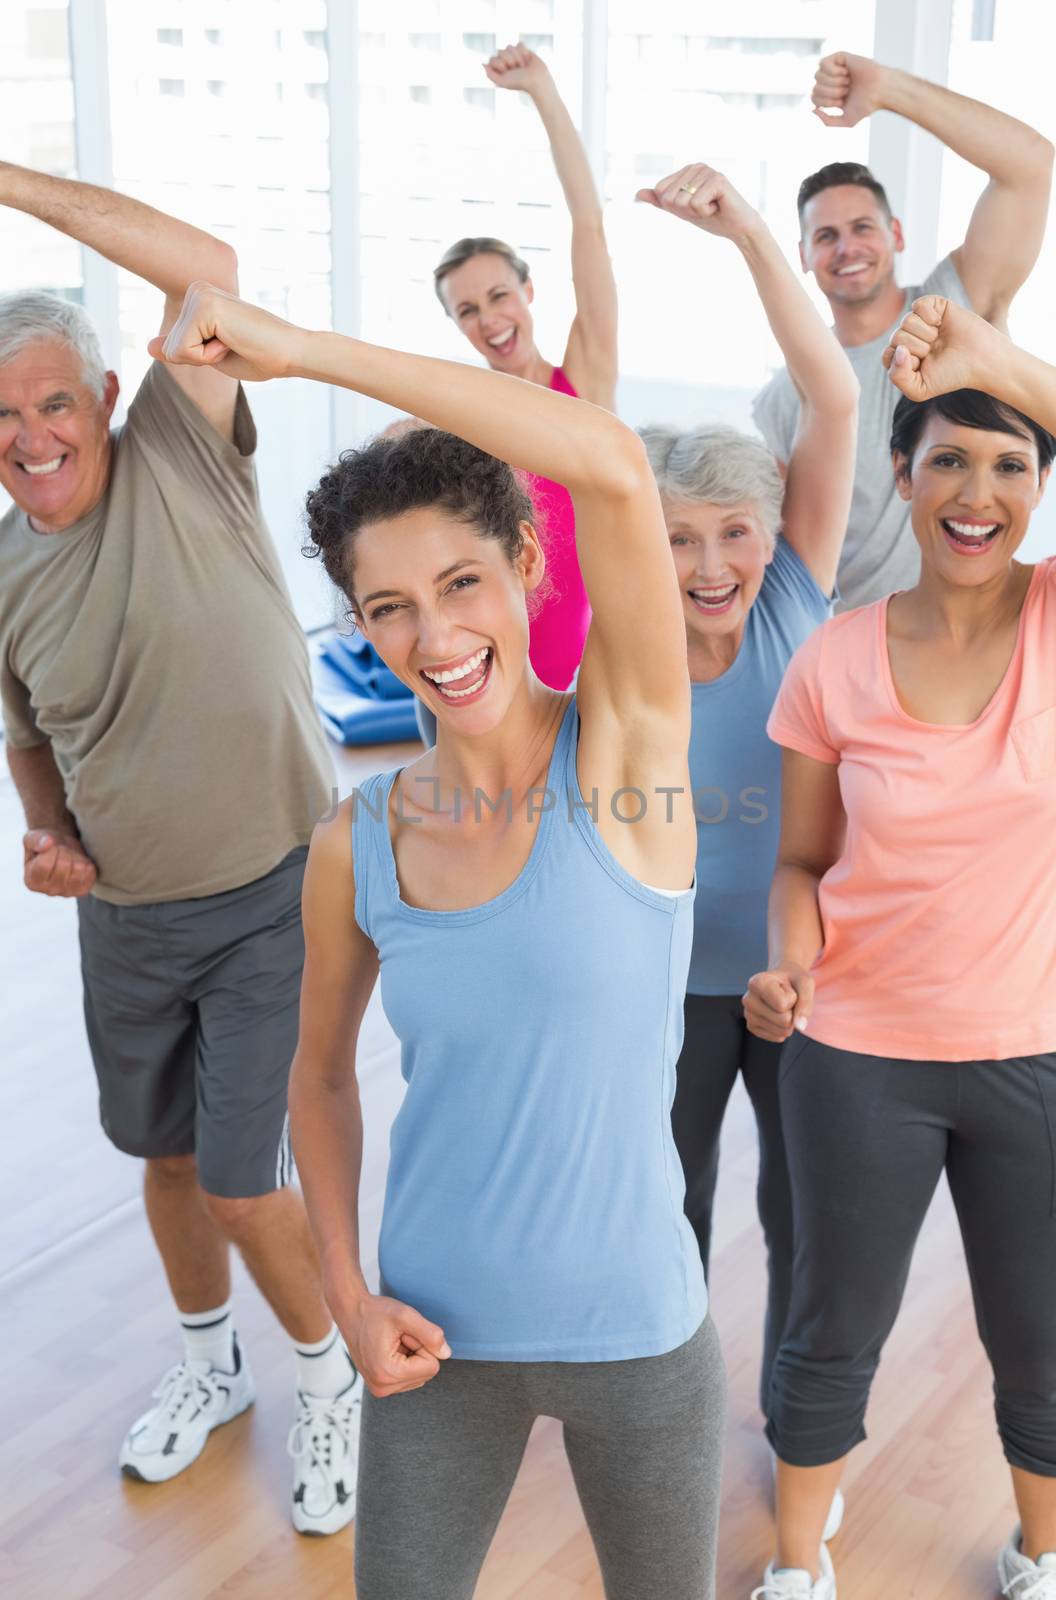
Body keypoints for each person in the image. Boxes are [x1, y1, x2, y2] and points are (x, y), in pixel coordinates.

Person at [152, 276, 727, 1599]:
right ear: (359, 626)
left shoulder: (624, 757)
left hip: (636, 1340)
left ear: (525, 567)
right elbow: (317, 1077)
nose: (434, 634)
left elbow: (610, 464)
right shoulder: (359, 839)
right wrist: (345, 1295)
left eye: (460, 581)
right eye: (389, 606)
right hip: (426, 1343)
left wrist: (304, 353)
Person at [0, 165, 359, 1533]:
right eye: (5, 415)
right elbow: (25, 731)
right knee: (159, 1162)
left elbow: (204, 258)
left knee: (235, 1175)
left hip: (274, 886)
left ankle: (327, 1379)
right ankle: (213, 1367)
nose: (32, 434)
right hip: (128, 915)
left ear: (99, 400)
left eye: (52, 401)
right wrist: (44, 829)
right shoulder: (4, 571)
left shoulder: (176, 445)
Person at [744, 292, 1056, 1600]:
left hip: (1033, 1055)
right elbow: (799, 865)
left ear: (1039, 484)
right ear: (899, 474)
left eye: (1008, 463)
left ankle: (1043, 1555)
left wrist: (991, 363)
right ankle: (793, 1565)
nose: (974, 491)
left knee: (1038, 1343)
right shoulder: (831, 658)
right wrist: (783, 964)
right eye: (945, 458)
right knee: (830, 1333)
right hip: (853, 1054)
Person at [635, 162, 856, 1548]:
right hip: (661, 985)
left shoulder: (792, 593)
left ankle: (794, 1417)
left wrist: (742, 239)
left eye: (731, 531)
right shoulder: (623, 635)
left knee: (799, 1209)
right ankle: (657, 1397)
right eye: (675, 541)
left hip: (797, 978)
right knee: (666, 1204)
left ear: (773, 532)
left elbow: (830, 397)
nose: (709, 563)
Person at [753, 49, 1054, 610]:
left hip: (979, 632)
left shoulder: (955, 311)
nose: (846, 248)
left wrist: (889, 89)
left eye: (862, 227)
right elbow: (784, 552)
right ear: (803, 255)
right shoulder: (786, 395)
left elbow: (1030, 165)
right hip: (858, 652)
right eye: (826, 236)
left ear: (895, 233)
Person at [430, 40, 618, 705]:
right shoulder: (459, 416)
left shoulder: (584, 383)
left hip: (579, 675)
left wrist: (543, 93)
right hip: (481, 674)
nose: (489, 319)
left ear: (528, 292)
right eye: (467, 310)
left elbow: (589, 228)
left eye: (499, 295)